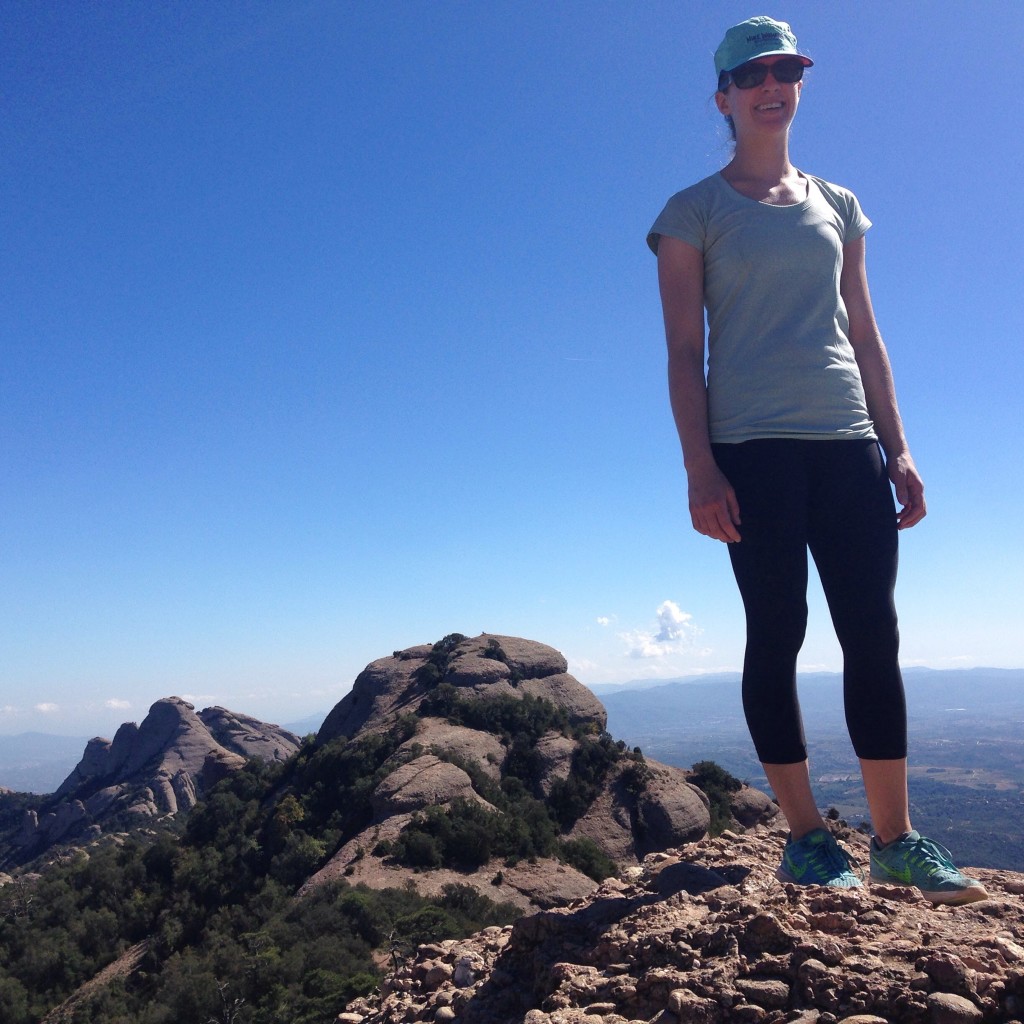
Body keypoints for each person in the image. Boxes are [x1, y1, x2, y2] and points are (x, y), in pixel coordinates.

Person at [647, 15, 987, 905]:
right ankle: (805, 838)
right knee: (779, 631)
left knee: (872, 631)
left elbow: (866, 334)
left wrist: (899, 446)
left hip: (845, 441)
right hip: (751, 448)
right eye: (752, 74)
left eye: (786, 71)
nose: (772, 85)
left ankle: (895, 840)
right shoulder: (693, 212)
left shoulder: (839, 203)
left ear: (798, 86)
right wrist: (699, 468)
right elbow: (684, 353)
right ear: (722, 97)